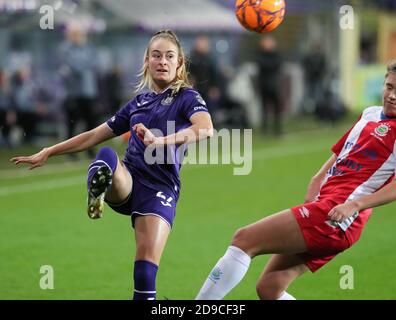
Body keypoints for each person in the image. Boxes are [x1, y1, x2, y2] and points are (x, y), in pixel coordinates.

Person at [11, 29, 213, 300]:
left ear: (179, 63)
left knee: (144, 271)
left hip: (161, 188)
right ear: (147, 61)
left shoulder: (187, 97)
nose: (162, 61)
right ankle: (96, 193)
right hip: (128, 181)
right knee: (105, 154)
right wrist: (50, 150)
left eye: (169, 56)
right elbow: (94, 134)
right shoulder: (137, 103)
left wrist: (160, 140)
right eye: (156, 55)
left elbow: (205, 129)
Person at [196, 60, 396, 300]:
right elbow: (341, 151)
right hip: (331, 211)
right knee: (270, 288)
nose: (392, 95)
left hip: (338, 216)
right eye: (389, 86)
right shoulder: (370, 114)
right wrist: (318, 177)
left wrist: (355, 204)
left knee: (244, 239)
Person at [58, 22, 99, 158]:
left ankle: (90, 150)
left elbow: (94, 63)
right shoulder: (65, 49)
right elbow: (75, 66)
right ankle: (70, 152)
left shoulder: (89, 48)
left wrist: (84, 65)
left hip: (88, 91)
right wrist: (85, 64)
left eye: (79, 33)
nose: (77, 36)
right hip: (73, 93)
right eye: (74, 34)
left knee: (91, 123)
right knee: (72, 123)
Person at [256, 35, 283, 136]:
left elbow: (277, 65)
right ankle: (265, 130)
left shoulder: (276, 54)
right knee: (264, 109)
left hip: (274, 85)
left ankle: (277, 129)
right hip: (264, 85)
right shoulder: (260, 54)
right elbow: (263, 65)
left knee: (276, 108)